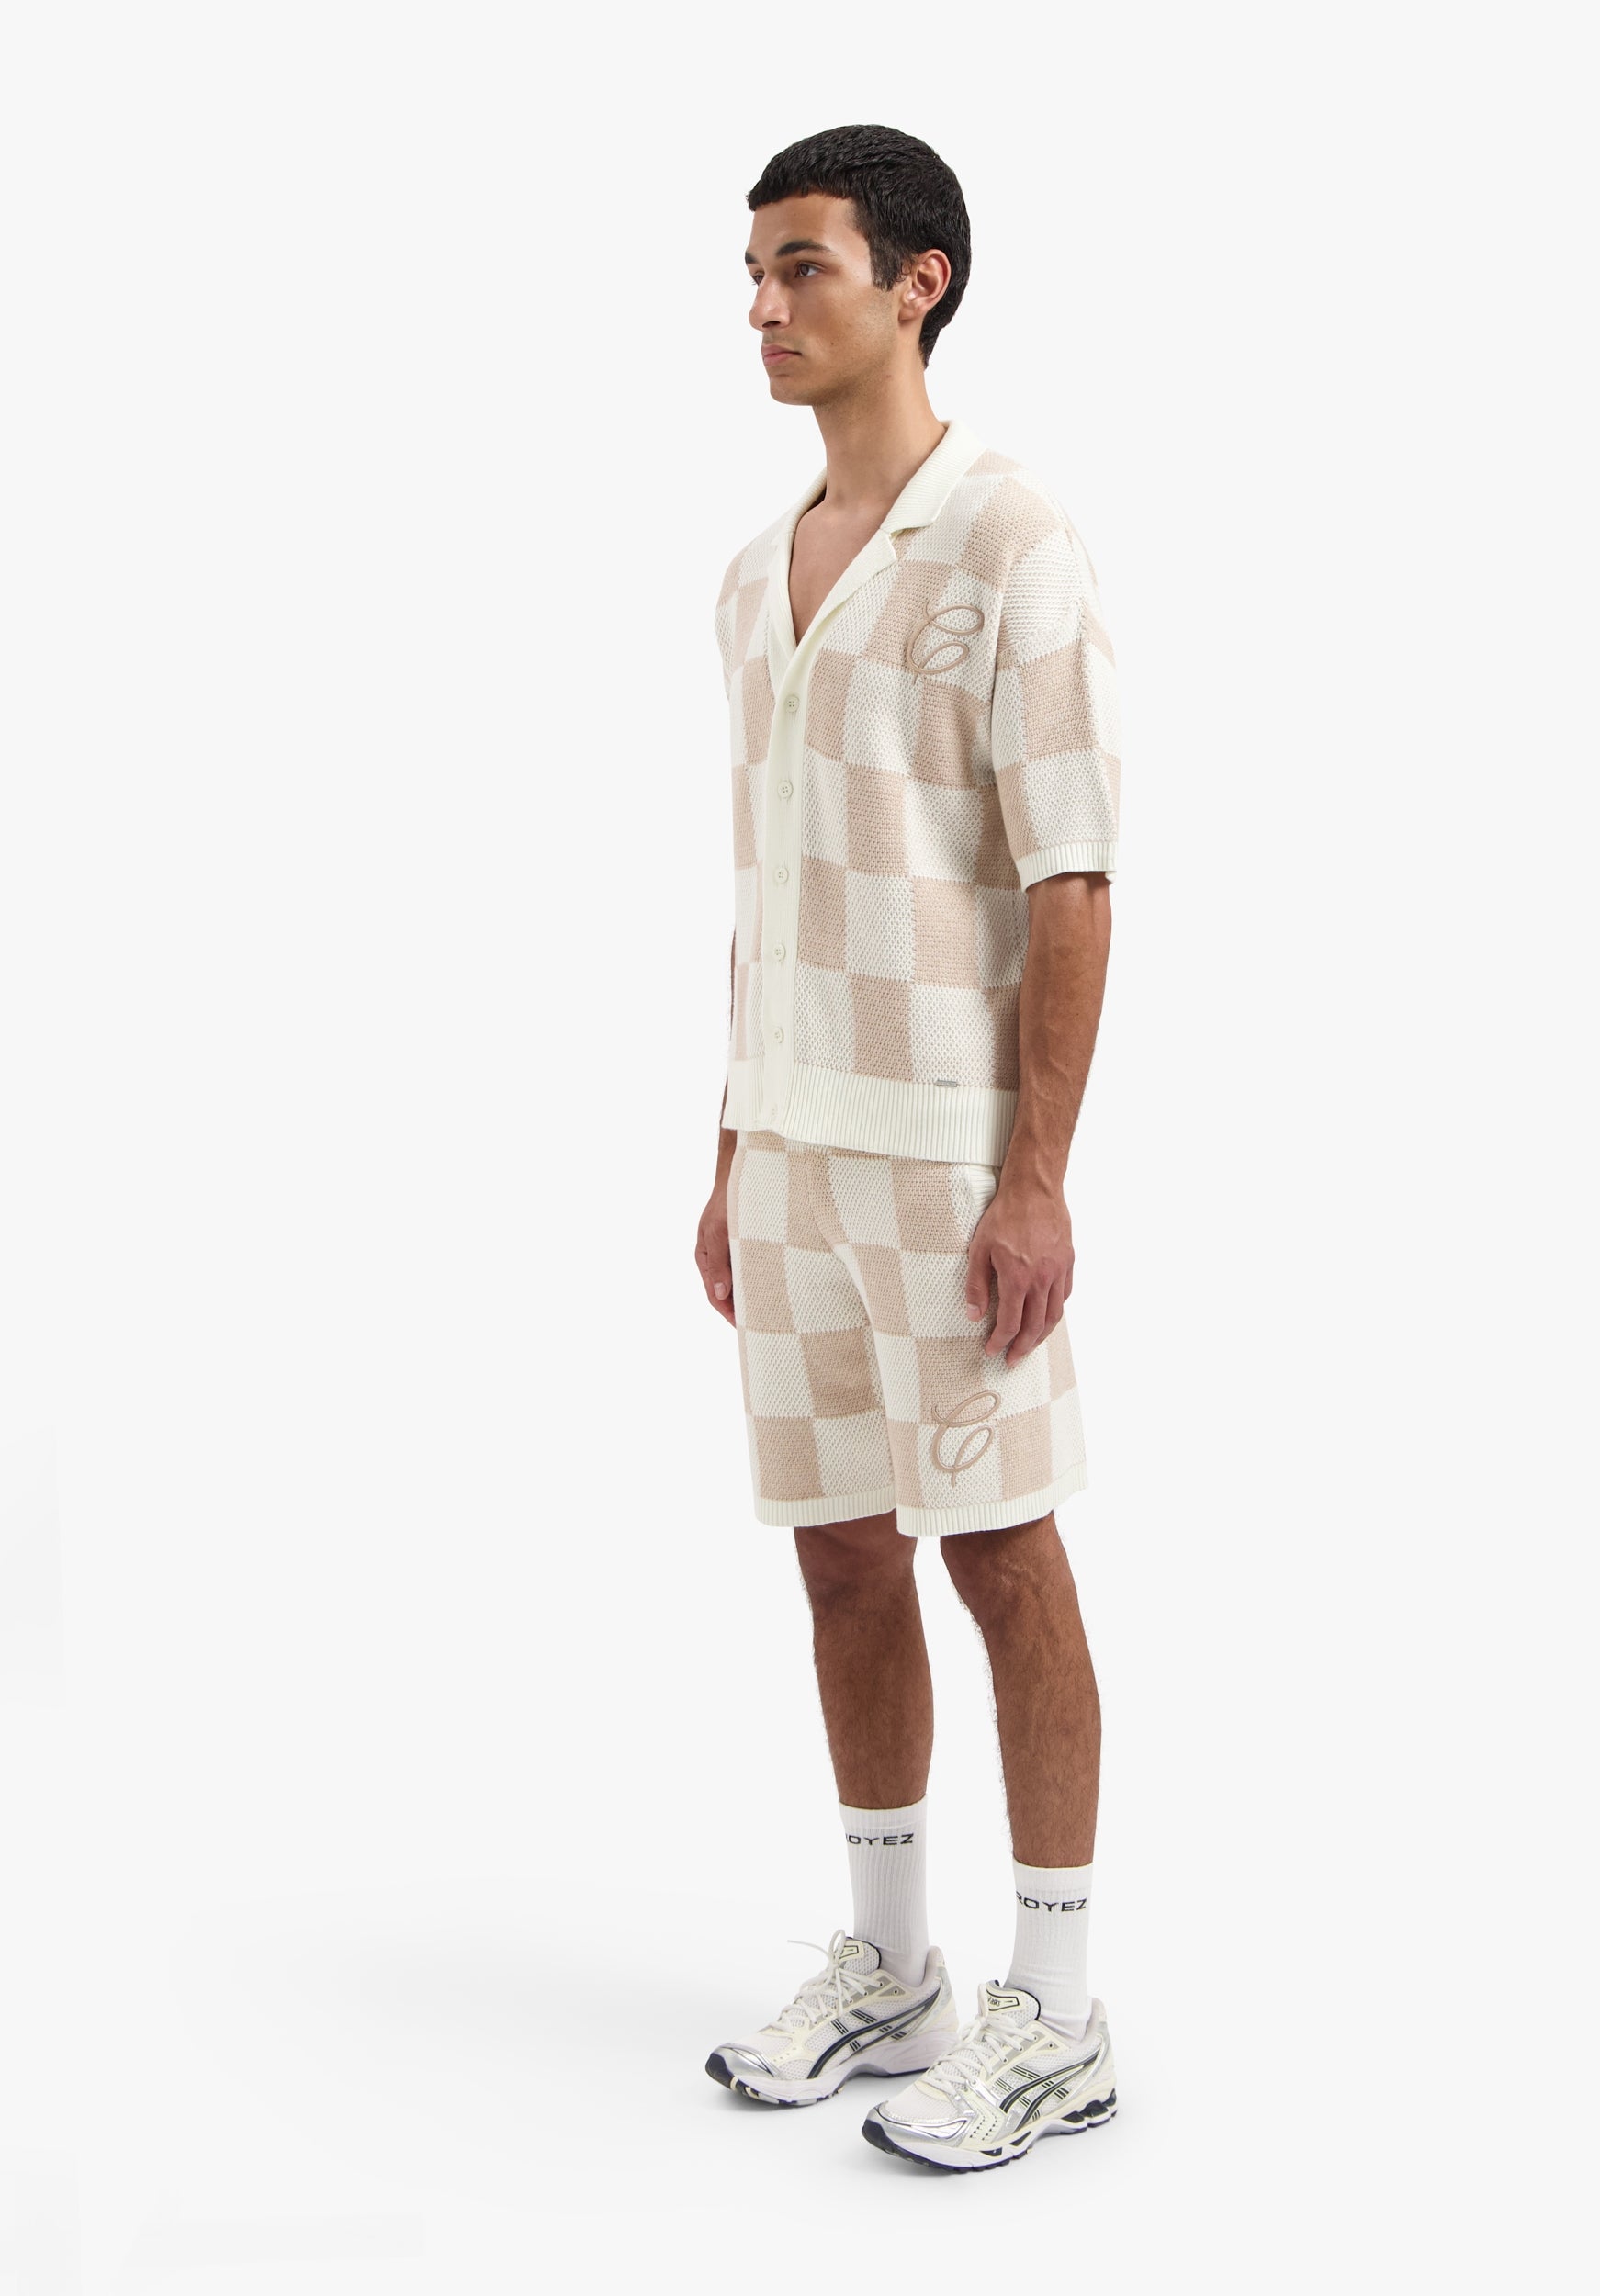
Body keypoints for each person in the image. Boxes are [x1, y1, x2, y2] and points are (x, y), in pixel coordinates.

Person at [693, 124, 1122, 2173]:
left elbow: (1072, 875)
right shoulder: (751, 574)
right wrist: (728, 1145)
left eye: (804, 266)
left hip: (951, 1163)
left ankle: (1060, 2010)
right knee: (841, 1550)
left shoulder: (1008, 538)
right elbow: (763, 883)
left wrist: (1036, 1174)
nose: (765, 307)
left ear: (916, 281)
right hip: (793, 1152)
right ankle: (889, 1968)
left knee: (999, 1550)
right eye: (753, 273)